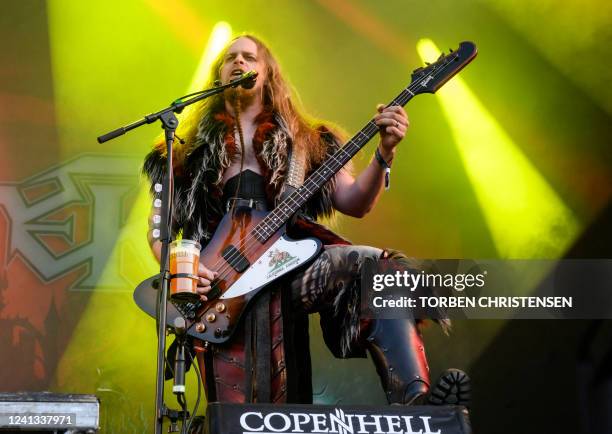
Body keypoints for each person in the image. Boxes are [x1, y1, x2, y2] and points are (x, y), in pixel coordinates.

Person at [144, 34, 438, 406]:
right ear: (218, 76)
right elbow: (158, 230)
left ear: (267, 73)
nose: (239, 62)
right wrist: (183, 271)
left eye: (249, 57)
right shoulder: (184, 151)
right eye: (230, 58)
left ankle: (413, 396)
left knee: (375, 269)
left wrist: (384, 152)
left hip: (289, 267)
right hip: (219, 286)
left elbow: (354, 202)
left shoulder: (307, 141)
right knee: (235, 405)